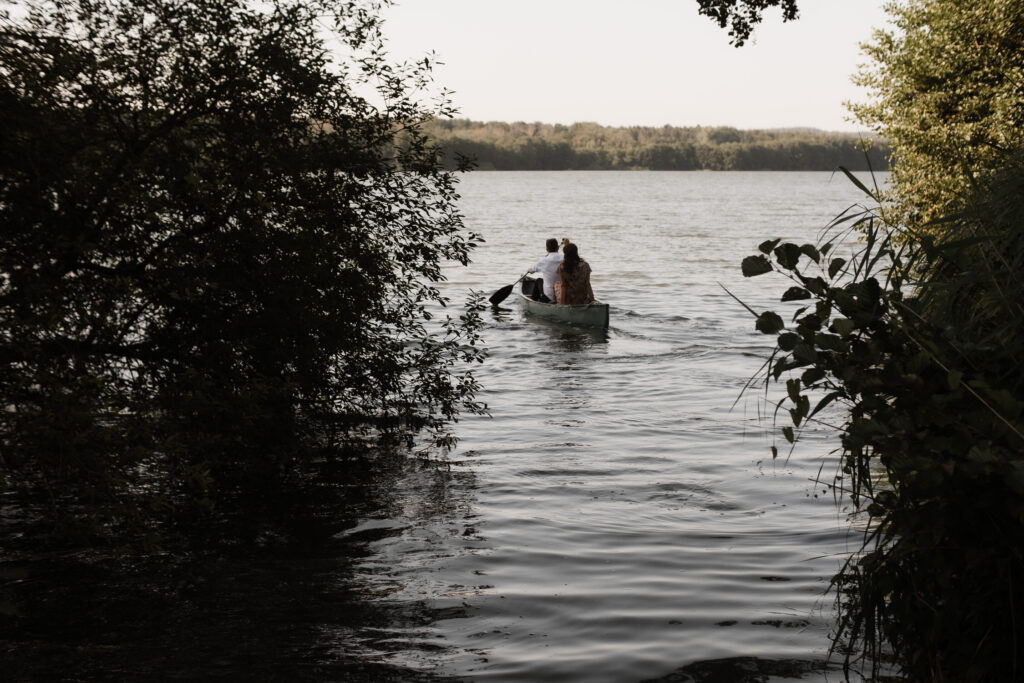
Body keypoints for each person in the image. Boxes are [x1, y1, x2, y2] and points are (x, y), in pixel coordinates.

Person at [527, 237, 562, 302]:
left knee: (538, 281)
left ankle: (533, 301)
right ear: (558, 247)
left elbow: (531, 270)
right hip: (563, 293)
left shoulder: (543, 260)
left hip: (549, 296)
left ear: (547, 249)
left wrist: (529, 270)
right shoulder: (565, 258)